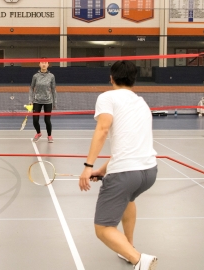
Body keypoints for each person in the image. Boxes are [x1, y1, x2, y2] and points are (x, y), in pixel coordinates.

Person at [79, 60, 158, 270]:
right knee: (128, 199)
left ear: (111, 78)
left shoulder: (107, 97)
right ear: (134, 80)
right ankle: (128, 247)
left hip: (126, 173)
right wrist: (101, 171)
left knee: (103, 228)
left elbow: (103, 129)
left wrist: (88, 166)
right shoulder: (142, 102)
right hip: (149, 171)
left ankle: (139, 259)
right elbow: (128, 147)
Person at [28, 60, 57, 143]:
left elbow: (53, 89)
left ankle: (49, 136)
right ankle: (38, 133)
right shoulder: (35, 76)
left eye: (45, 63)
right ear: (39, 64)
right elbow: (31, 88)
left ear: (48, 64)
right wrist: (31, 100)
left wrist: (54, 102)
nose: (44, 64)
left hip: (48, 101)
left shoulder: (51, 76)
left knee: (47, 120)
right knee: (35, 120)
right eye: (42, 63)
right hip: (37, 100)